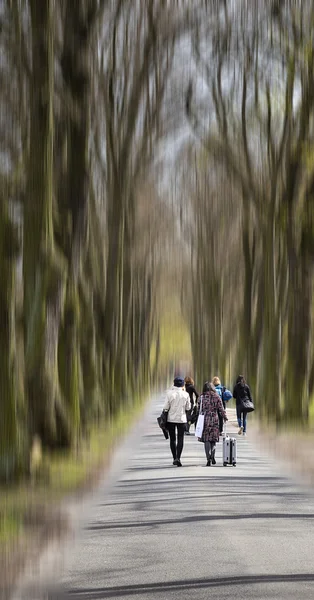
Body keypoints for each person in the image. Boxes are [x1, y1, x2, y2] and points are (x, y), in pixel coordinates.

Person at [197, 381, 227, 466]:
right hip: (214, 419)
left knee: (207, 439)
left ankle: (208, 458)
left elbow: (198, 409)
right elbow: (221, 408)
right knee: (213, 439)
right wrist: (224, 417)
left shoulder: (202, 397)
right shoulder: (216, 396)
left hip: (205, 420)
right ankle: (213, 456)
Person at [163, 376, 191, 466]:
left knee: (172, 439)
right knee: (180, 438)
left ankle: (174, 457)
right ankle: (178, 457)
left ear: (174, 384)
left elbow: (166, 407)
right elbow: (188, 407)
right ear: (183, 384)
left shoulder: (169, 394)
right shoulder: (186, 394)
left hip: (171, 419)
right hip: (182, 419)